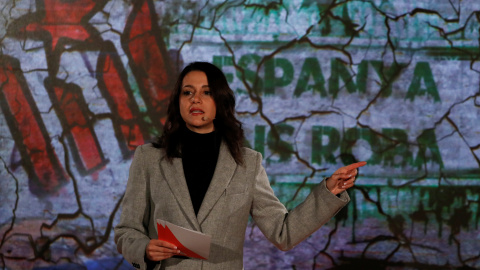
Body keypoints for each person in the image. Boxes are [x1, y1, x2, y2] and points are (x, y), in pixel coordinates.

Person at [114, 62, 366, 270]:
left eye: (207, 92)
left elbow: (283, 233)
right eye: (187, 92)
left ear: (220, 101)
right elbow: (127, 230)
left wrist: (328, 193)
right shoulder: (148, 158)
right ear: (177, 101)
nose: (196, 99)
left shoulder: (248, 163)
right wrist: (143, 249)